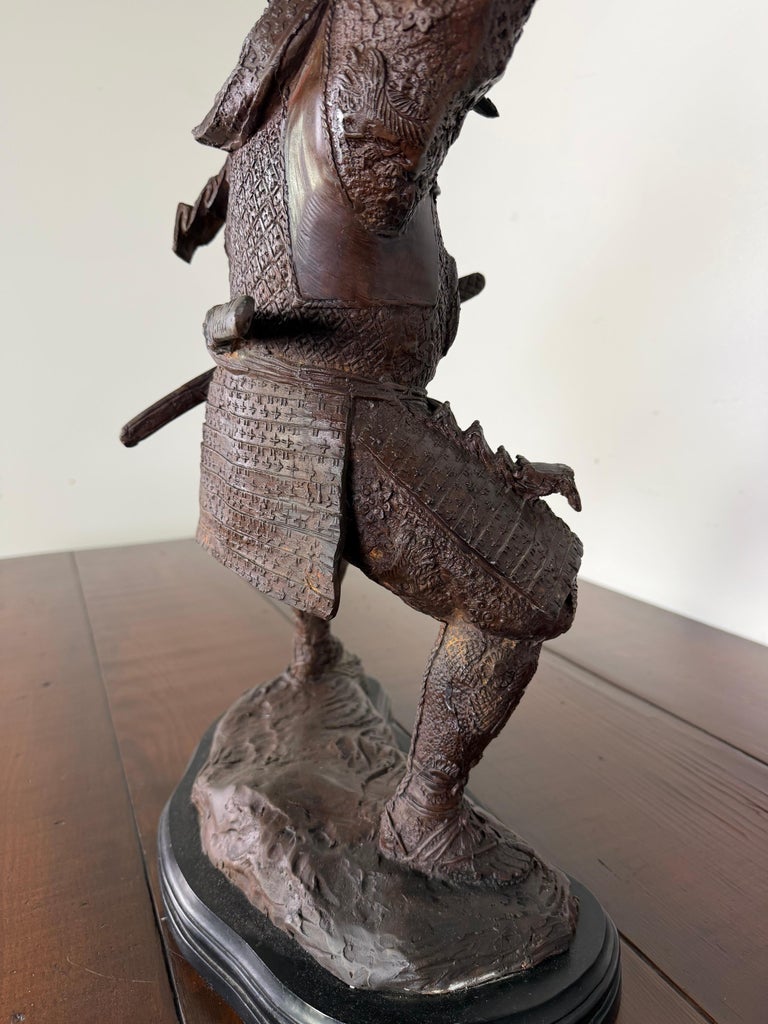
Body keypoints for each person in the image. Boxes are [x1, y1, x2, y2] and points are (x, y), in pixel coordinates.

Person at [183, 0, 582, 882]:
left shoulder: (282, 80)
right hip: (333, 415)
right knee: (531, 587)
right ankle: (422, 815)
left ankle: (312, 660)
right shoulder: (359, 67)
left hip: (306, 401)